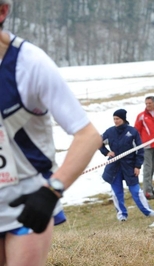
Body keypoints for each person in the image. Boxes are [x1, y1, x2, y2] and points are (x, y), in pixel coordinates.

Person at [0, 1, 102, 265]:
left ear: (2, 12)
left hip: (27, 201)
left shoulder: (30, 64)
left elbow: (88, 136)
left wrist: (51, 191)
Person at [100, 109, 154, 221]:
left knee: (136, 191)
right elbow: (98, 142)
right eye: (114, 119)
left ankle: (148, 212)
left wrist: (137, 166)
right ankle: (122, 215)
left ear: (123, 119)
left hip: (129, 166)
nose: (115, 121)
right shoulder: (110, 132)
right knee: (117, 193)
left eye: (118, 119)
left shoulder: (132, 132)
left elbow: (140, 150)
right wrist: (106, 152)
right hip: (114, 167)